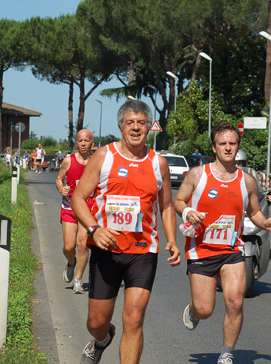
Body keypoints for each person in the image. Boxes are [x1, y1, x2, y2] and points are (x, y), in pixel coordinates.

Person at [71, 100, 181, 364]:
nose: (135, 128)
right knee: (96, 321)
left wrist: (173, 240)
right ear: (121, 127)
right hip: (106, 249)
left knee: (134, 318)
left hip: (143, 251)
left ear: (148, 128)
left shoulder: (159, 163)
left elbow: (166, 206)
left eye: (141, 123)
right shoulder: (104, 156)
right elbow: (78, 197)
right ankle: (102, 339)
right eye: (130, 122)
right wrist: (94, 229)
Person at [174, 122, 271, 364]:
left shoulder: (247, 181)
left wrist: (267, 224)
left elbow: (254, 212)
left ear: (237, 147)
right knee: (205, 309)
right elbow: (179, 201)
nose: (228, 147)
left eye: (232, 143)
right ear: (214, 147)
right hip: (201, 250)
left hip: (232, 250)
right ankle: (193, 308)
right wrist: (188, 211)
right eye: (222, 143)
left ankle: (226, 353)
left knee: (235, 300)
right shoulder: (198, 175)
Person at [55, 129, 94, 294]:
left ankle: (78, 281)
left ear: (92, 143)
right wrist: (61, 188)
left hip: (87, 208)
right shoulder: (68, 161)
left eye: (86, 140)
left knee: (82, 244)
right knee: (69, 246)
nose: (83, 144)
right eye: (80, 141)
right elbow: (59, 178)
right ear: (76, 142)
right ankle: (71, 262)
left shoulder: (96, 162)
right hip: (69, 207)